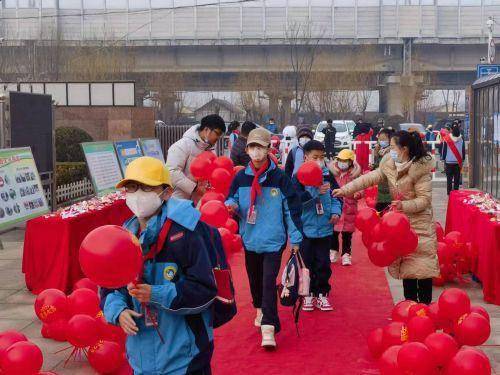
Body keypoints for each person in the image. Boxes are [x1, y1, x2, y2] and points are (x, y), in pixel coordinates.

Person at [104, 157, 218, 375]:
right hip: (141, 359)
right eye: (132, 187)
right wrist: (118, 311)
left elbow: (205, 289)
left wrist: (156, 294)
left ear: (166, 192)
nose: (138, 194)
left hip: (186, 359)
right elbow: (110, 285)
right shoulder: (124, 236)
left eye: (146, 187)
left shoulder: (187, 233)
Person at [333, 131, 439, 304]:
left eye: (393, 147)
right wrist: (345, 190)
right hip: (400, 224)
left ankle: (425, 310)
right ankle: (409, 310)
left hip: (420, 225)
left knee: (423, 269)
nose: (390, 150)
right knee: (407, 268)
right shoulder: (390, 163)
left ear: (404, 149)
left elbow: (424, 201)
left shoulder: (420, 168)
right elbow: (369, 178)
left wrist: (404, 205)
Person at [225, 127, 303, 349]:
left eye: (260, 146)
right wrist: (229, 205)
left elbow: (291, 210)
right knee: (255, 279)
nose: (256, 151)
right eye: (252, 146)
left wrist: (295, 240)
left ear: (269, 148)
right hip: (250, 239)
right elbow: (229, 197)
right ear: (247, 149)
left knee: (269, 282)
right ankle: (259, 308)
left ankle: (269, 327)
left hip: (273, 240)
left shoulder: (280, 178)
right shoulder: (240, 177)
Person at [293, 140, 342, 312]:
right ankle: (307, 294)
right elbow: (296, 202)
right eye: (315, 157)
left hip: (325, 228)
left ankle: (322, 293)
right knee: (307, 264)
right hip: (306, 230)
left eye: (322, 157)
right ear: (305, 157)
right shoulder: (298, 177)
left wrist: (336, 212)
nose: (319, 161)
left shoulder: (328, 175)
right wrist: (314, 192)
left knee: (323, 263)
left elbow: (337, 196)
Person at [167, 114, 226, 201]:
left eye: (220, 135)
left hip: (199, 201)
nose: (218, 138)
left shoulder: (211, 149)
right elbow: (172, 171)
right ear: (206, 129)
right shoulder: (182, 145)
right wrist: (194, 188)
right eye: (217, 133)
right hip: (179, 201)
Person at [329, 149, 362, 266]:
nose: (342, 163)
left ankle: (346, 254)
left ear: (350, 162)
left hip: (349, 209)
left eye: (345, 161)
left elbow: (361, 188)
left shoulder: (355, 175)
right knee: (333, 232)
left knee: (347, 234)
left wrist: (357, 194)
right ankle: (333, 251)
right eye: (340, 160)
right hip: (335, 208)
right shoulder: (332, 174)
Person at [441, 124, 466, 195]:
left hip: (449, 162)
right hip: (458, 162)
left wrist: (443, 159)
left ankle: (449, 193)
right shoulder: (461, 138)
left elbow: (444, 150)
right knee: (457, 179)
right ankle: (456, 192)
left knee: (449, 179)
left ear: (451, 130)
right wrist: (463, 159)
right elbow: (463, 150)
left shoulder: (447, 138)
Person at [373, 128, 393, 213]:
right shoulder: (380, 151)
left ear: (390, 140)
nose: (381, 141)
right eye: (380, 139)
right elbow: (377, 165)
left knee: (389, 210)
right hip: (381, 188)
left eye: (384, 139)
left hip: (390, 188)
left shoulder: (392, 152)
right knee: (379, 209)